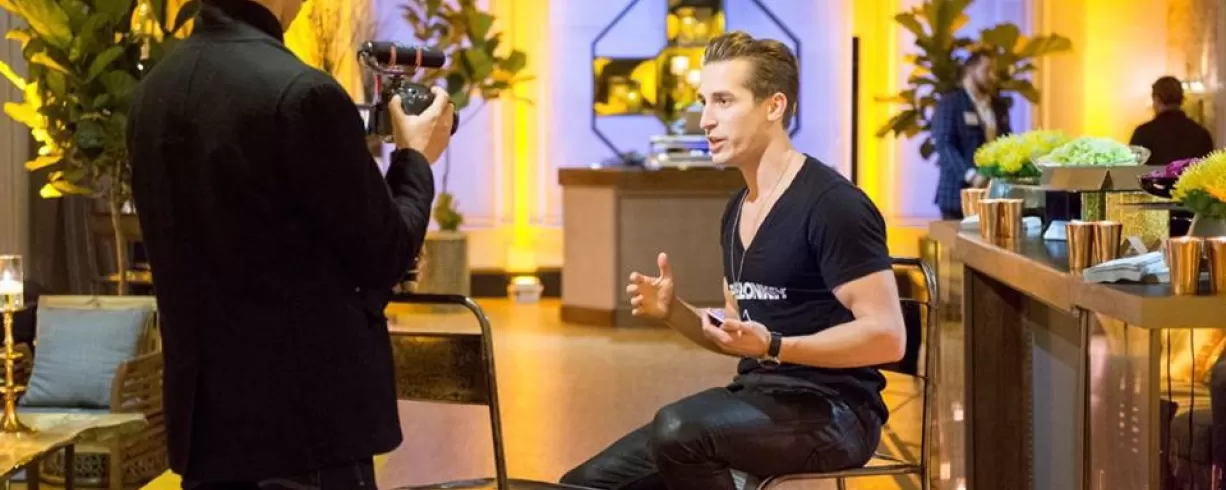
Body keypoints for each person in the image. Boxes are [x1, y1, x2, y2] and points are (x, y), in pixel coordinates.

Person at [125, 0, 455, 487]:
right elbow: (385, 253)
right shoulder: (303, 93)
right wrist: (415, 157)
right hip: (305, 432)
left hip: (206, 432)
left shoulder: (154, 92)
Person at [559, 31, 907, 490]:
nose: (705, 120)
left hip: (836, 411)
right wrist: (674, 312)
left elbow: (888, 337)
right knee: (581, 484)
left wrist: (776, 346)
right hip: (759, 396)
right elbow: (737, 337)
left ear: (774, 106)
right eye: (704, 102)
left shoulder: (833, 204)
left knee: (679, 431)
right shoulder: (737, 209)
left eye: (723, 101)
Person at [931, 51, 1012, 220]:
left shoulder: (999, 106)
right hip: (957, 196)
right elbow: (945, 145)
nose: (992, 76)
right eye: (987, 70)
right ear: (970, 71)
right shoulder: (950, 103)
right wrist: (971, 175)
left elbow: (1007, 142)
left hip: (991, 196)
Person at [1130, 76, 1215, 168]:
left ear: (1157, 99)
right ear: (1181, 99)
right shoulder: (1201, 134)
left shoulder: (1143, 134)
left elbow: (1130, 171)